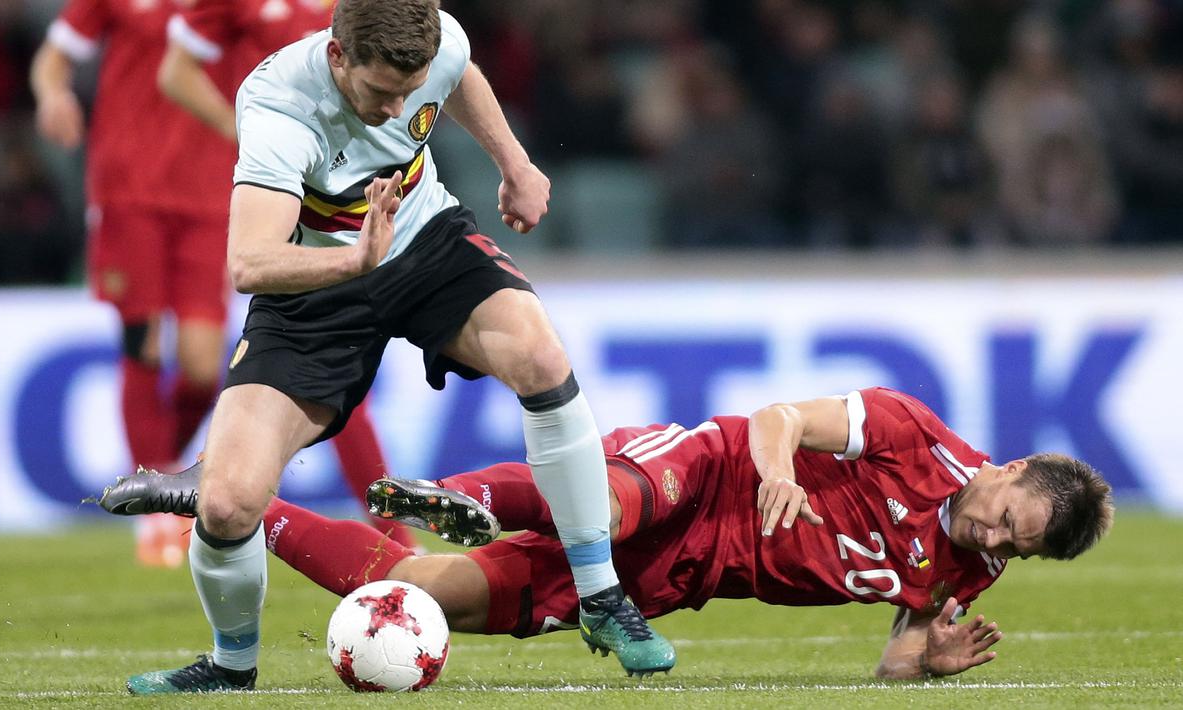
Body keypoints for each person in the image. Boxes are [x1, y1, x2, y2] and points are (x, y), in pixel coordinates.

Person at [106, 0, 672, 693]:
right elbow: (250, 262)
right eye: (380, 93)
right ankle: (230, 667)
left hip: (424, 240)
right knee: (225, 505)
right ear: (339, 56)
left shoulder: (435, 47)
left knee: (541, 359)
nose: (396, 108)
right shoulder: (280, 106)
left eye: (409, 92)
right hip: (311, 286)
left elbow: (460, 76)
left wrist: (514, 164)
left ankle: (600, 597)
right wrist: (353, 262)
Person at [102, 386, 1114, 681]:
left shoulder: (967, 570)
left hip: (681, 575)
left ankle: (219, 496)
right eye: (1007, 518)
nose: (996, 540)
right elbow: (776, 420)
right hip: (706, 464)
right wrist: (773, 476)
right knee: (616, 501)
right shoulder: (911, 435)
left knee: (416, 591)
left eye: (1017, 547)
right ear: (1009, 467)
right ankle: (489, 497)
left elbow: (889, 658)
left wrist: (920, 662)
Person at [154, 0, 416, 549]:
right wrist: (256, 138)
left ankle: (194, 491)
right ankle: (182, 482)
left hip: (341, 193)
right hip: (270, 195)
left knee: (332, 366)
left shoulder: (365, 12)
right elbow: (175, 71)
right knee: (217, 367)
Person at [30, 0, 234, 567]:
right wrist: (53, 93)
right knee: (140, 346)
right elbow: (53, 57)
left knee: (200, 367)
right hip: (127, 190)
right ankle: (156, 518)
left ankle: (164, 475)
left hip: (207, 191)